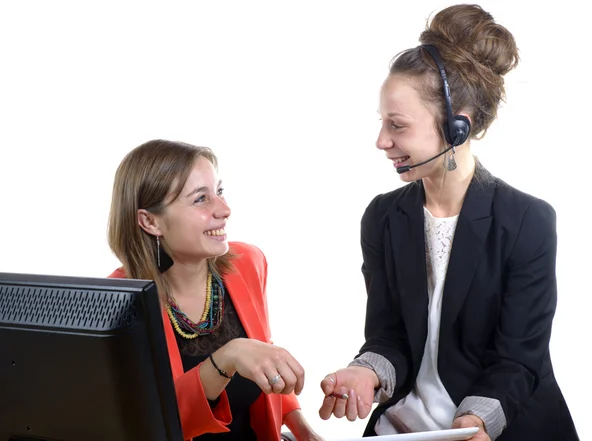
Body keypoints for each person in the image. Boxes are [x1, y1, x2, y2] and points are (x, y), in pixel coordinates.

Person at [318, 4, 579, 441]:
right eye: (383, 123)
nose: (382, 141)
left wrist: (474, 422)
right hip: (410, 426)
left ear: (459, 126)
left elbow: (518, 358)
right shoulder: (383, 216)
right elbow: (389, 336)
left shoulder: (527, 221)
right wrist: (365, 372)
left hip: (499, 422)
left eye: (397, 126)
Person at [107, 139, 322, 441]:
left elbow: (261, 360)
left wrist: (302, 429)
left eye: (219, 192)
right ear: (150, 221)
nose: (224, 209)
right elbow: (152, 422)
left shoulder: (248, 263)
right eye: (200, 199)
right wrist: (227, 357)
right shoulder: (117, 302)